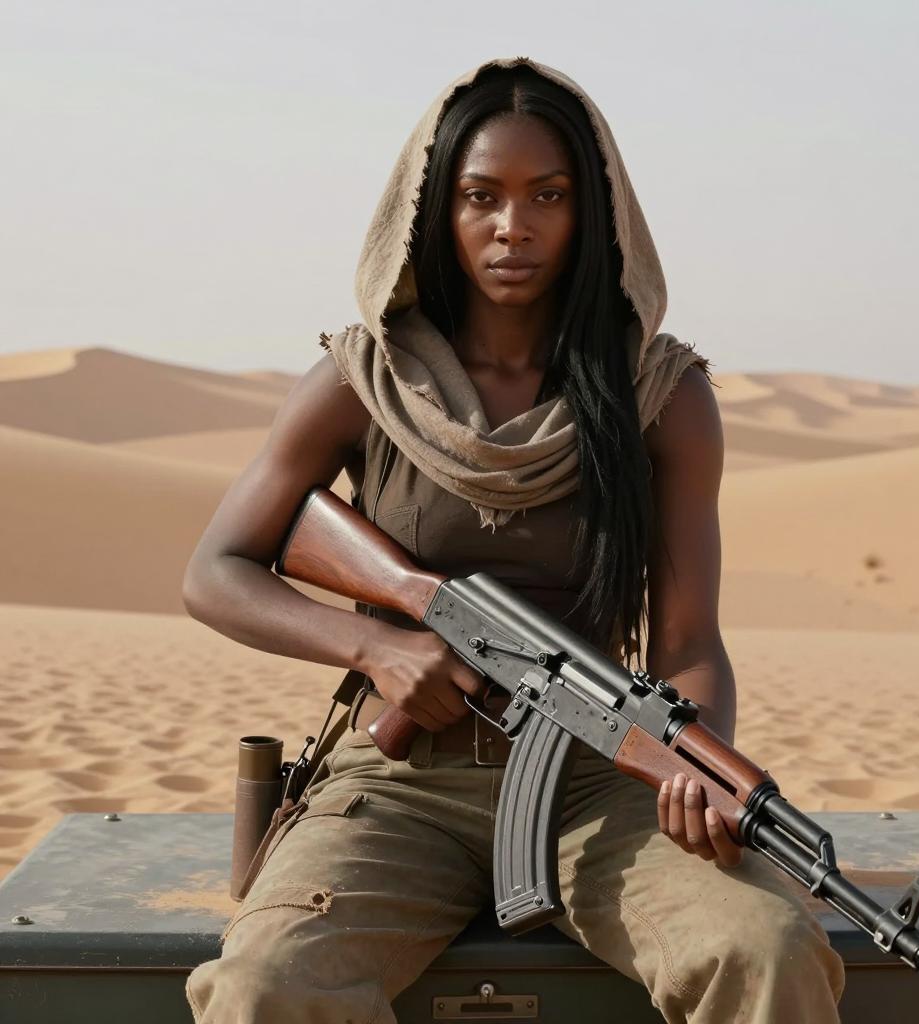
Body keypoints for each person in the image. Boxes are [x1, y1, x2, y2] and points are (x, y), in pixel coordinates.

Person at [182, 56, 845, 1024]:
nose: (512, 226)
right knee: (264, 982)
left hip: (598, 777)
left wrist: (697, 766)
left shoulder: (660, 396)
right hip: (400, 783)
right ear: (434, 212)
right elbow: (215, 570)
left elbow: (689, 641)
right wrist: (375, 644)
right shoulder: (363, 379)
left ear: (594, 213)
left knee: (767, 946)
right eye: (480, 196)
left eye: (549, 195)